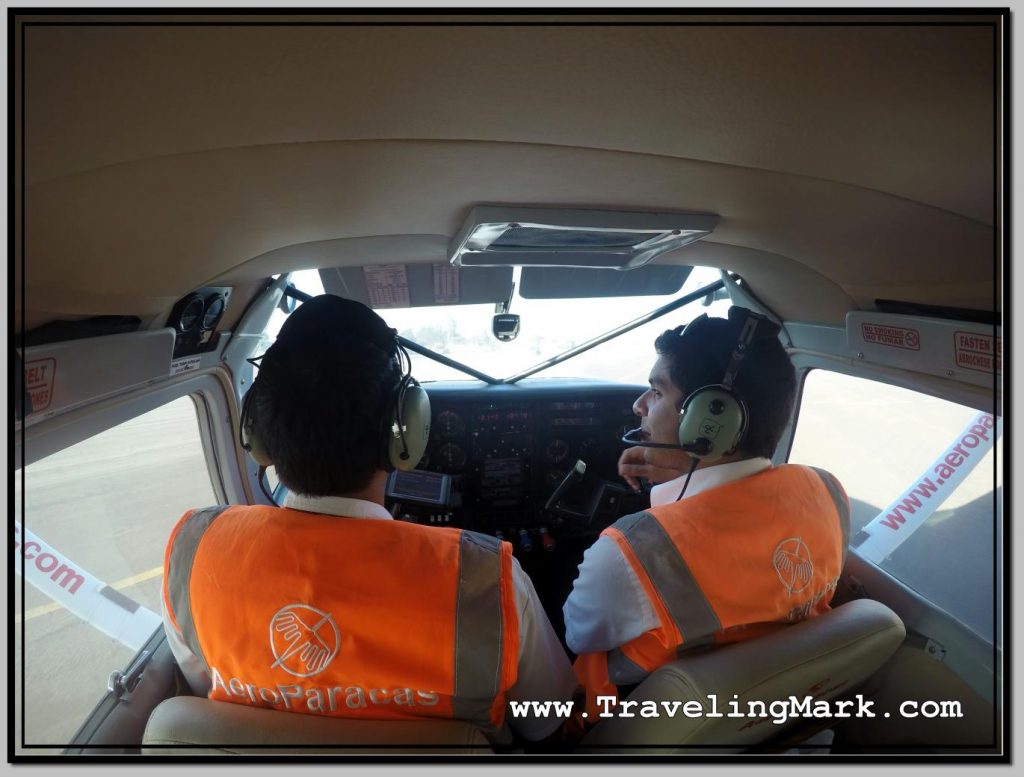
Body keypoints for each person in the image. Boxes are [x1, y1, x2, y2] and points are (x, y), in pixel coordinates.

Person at [161, 294, 576, 746]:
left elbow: (207, 689)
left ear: (257, 435)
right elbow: (547, 720)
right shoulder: (490, 582)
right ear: (406, 433)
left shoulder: (192, 552)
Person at [562, 305, 850, 717]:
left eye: (657, 392)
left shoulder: (633, 550)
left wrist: (652, 519)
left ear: (711, 422)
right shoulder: (826, 489)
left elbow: (579, 635)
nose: (639, 405)